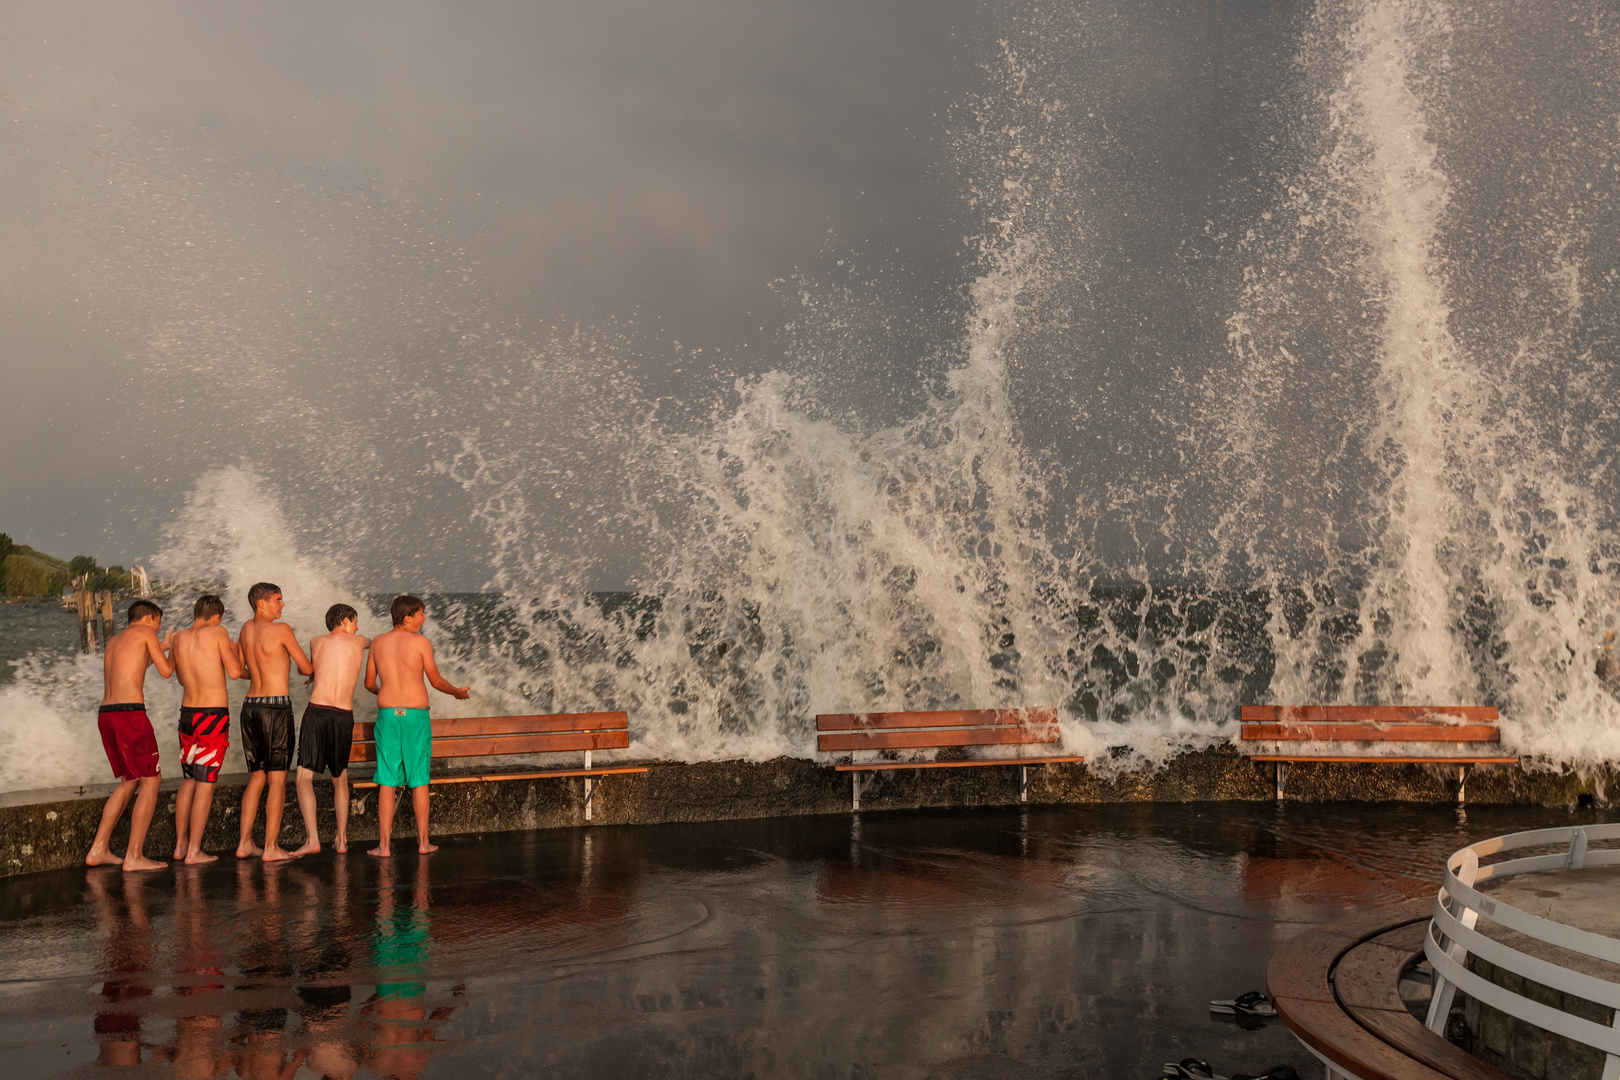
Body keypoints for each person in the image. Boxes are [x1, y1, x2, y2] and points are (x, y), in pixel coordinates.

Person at [364, 595, 469, 857]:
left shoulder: (377, 642)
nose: (424, 618)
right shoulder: (420, 642)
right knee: (419, 779)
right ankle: (423, 843)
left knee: (387, 781)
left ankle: (384, 847)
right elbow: (435, 680)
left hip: (388, 715)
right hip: (415, 717)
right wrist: (456, 692)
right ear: (406, 616)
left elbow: (368, 683)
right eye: (421, 614)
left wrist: (386, 693)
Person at [86, 599, 174, 872]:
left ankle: (98, 849)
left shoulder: (114, 641)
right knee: (151, 781)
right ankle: (134, 856)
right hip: (130, 715)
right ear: (148, 619)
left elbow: (134, 667)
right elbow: (166, 670)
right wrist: (175, 650)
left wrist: (160, 648)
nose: (158, 632)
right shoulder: (147, 633)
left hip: (107, 714)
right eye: (158, 626)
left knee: (129, 781)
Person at [236, 582, 313, 863]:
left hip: (250, 708)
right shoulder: (281, 630)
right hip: (275, 709)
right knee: (277, 780)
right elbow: (306, 667)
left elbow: (242, 671)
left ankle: (245, 843)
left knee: (257, 777)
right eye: (278, 600)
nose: (283, 605)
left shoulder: (246, 629)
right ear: (261, 603)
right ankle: (271, 847)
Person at [169, 594, 246, 865]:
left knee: (188, 780)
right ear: (216, 617)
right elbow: (235, 672)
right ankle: (194, 851)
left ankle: (180, 847)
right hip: (212, 718)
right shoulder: (218, 632)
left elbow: (179, 677)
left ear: (195, 614)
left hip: (187, 715)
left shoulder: (178, 638)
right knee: (205, 784)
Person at [292, 603, 370, 856]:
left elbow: (320, 668)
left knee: (304, 778)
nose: (357, 627)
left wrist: (311, 676)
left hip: (317, 712)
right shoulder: (359, 642)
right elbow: (379, 642)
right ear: (345, 620)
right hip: (342, 715)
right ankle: (342, 840)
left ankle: (313, 839)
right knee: (340, 780)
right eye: (355, 621)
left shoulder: (316, 641)